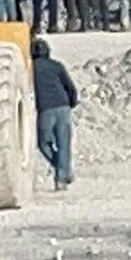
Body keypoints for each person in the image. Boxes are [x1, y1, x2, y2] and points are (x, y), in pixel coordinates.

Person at [31, 38, 78, 192]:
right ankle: (62, 176)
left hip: (45, 109)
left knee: (44, 144)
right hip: (63, 106)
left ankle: (61, 169)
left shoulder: (31, 69)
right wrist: (72, 103)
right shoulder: (57, 66)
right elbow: (70, 87)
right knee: (64, 144)